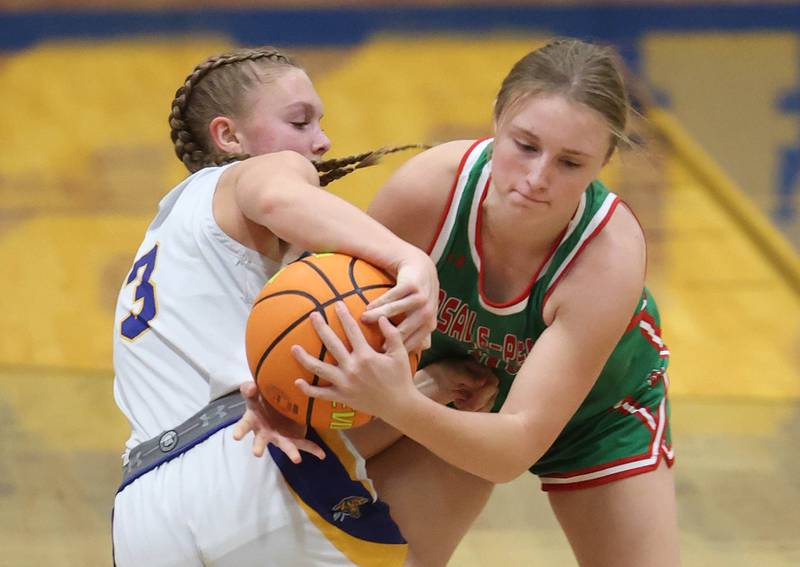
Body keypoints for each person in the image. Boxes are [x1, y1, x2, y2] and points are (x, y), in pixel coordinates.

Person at [286, 38, 680, 566]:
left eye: (570, 162)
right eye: (525, 145)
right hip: (453, 389)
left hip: (595, 416)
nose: (537, 178)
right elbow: (333, 330)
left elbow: (513, 448)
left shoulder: (608, 255)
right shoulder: (430, 192)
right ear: (496, 119)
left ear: (604, 162)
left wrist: (402, 403)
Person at [111, 45, 479, 567]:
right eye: (300, 121)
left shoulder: (167, 236)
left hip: (142, 505)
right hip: (252, 466)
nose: (322, 140)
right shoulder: (255, 174)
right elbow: (279, 199)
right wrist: (409, 260)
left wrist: (425, 390)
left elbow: (286, 411)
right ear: (229, 136)